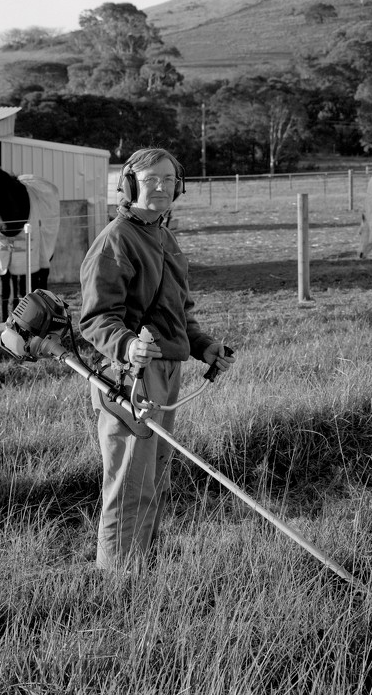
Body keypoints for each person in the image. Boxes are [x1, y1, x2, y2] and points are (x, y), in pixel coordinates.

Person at [78, 147, 235, 571]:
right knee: (130, 482)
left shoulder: (163, 236)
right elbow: (95, 319)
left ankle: (143, 566)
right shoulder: (115, 239)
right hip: (130, 376)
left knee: (153, 476)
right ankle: (118, 578)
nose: (162, 187)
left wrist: (203, 346)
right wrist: (128, 345)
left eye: (168, 179)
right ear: (129, 186)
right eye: (150, 180)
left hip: (168, 370)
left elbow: (178, 312)